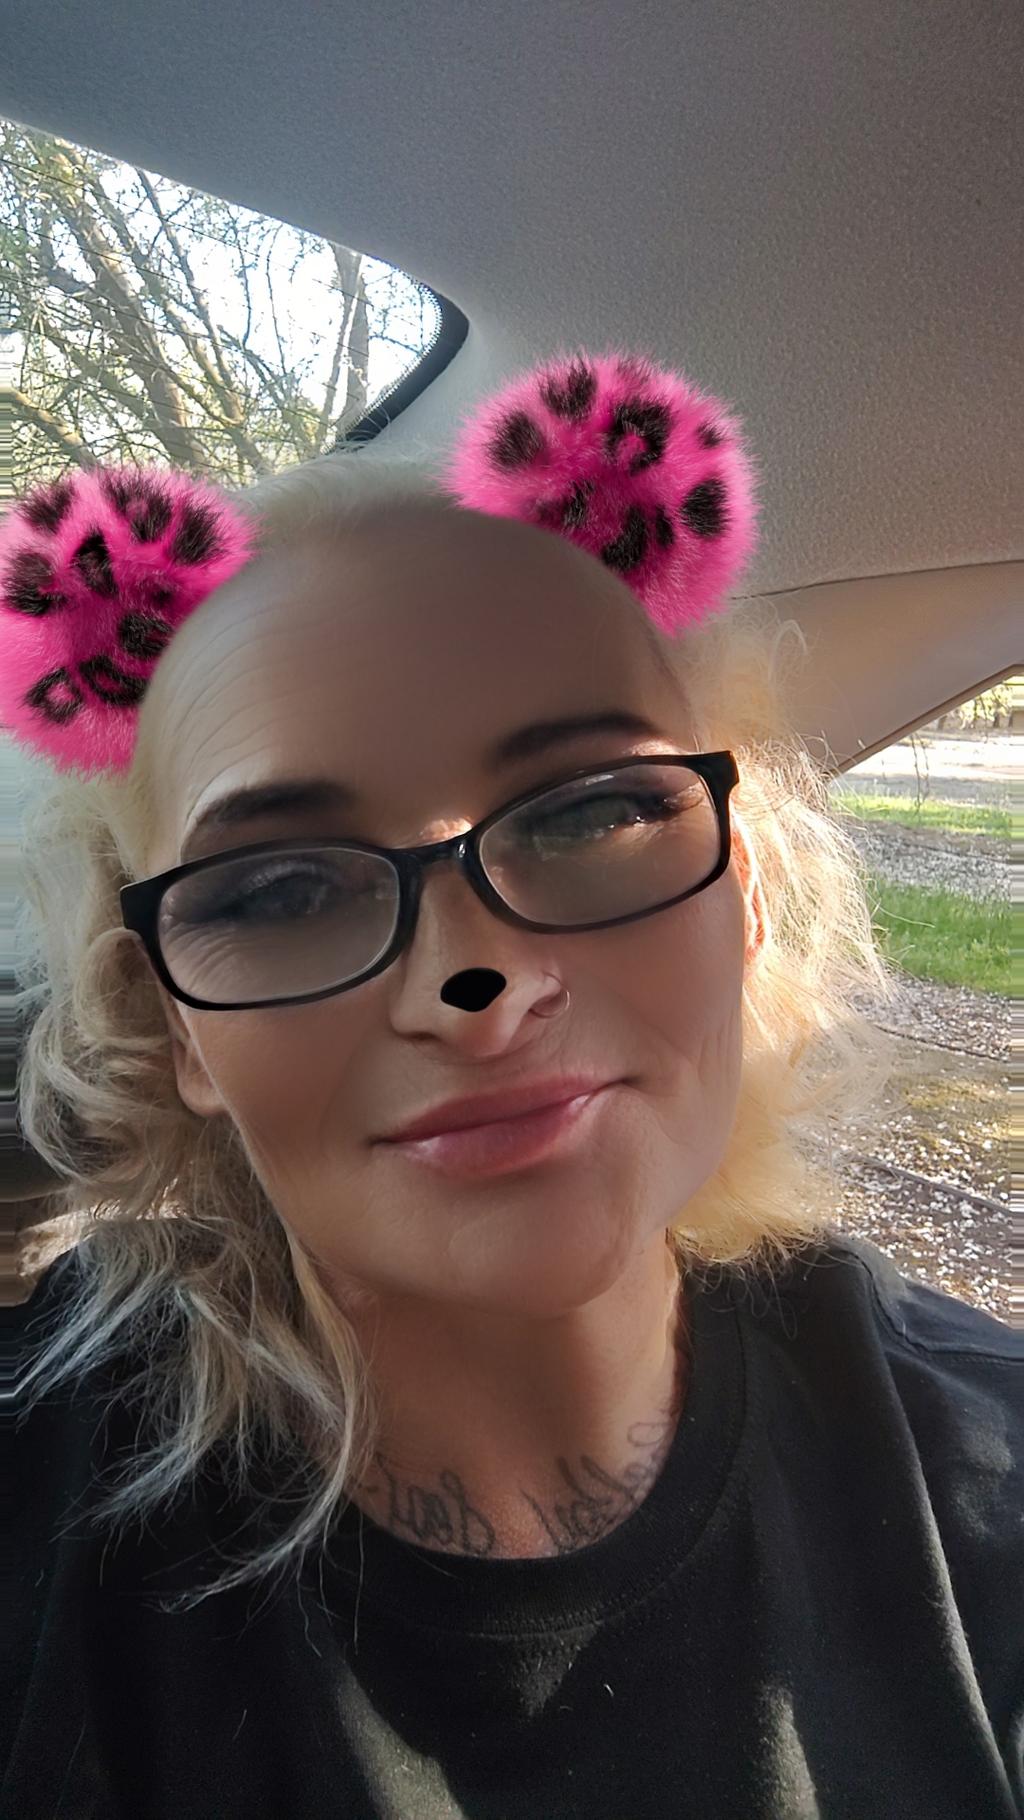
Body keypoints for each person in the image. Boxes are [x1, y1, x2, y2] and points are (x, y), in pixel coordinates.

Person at [2, 350, 1020, 1820]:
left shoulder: (988, 1471)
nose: (473, 984)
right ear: (176, 1029)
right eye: (279, 889)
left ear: (741, 893)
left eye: (591, 813)